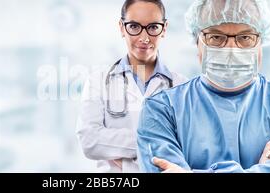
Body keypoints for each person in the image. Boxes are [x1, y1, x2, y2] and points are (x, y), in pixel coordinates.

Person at [137, 0, 270, 173]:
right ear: (197, 41)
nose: (231, 49)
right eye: (216, 37)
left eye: (245, 37)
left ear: (261, 41)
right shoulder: (160, 110)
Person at [76, 0, 188, 172]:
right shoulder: (97, 82)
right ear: (122, 27)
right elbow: (90, 141)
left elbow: (187, 146)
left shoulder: (182, 86)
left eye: (153, 27)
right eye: (134, 27)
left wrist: (125, 159)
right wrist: (156, 141)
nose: (144, 37)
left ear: (164, 29)